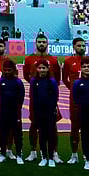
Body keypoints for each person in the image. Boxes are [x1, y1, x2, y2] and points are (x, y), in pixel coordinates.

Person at [62, 36, 89, 165]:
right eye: (79, 45)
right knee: (75, 127)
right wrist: (75, 90)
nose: (81, 48)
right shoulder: (68, 61)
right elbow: (64, 79)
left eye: (83, 45)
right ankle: (74, 154)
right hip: (75, 101)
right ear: (74, 47)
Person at [23, 33, 62, 162]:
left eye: (43, 42)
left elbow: (57, 79)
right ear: (35, 43)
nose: (41, 44)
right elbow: (26, 76)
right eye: (39, 42)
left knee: (52, 125)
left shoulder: (54, 60)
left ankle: (54, 152)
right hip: (35, 98)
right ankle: (33, 151)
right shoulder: (28, 59)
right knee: (34, 124)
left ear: (47, 44)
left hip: (50, 99)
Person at [30, 60, 60, 168]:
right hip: (39, 111)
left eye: (44, 68)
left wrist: (51, 108)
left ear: (48, 69)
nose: (42, 70)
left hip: (50, 111)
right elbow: (33, 95)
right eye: (40, 68)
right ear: (37, 69)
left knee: (50, 134)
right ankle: (43, 157)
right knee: (42, 134)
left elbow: (56, 96)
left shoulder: (52, 81)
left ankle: (51, 158)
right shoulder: (34, 81)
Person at [0, 59, 26, 164]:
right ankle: (3, 154)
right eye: (5, 70)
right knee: (3, 133)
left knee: (17, 134)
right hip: (3, 111)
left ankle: (19, 155)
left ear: (13, 70)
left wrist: (17, 108)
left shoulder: (18, 82)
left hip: (15, 111)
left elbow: (21, 96)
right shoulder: (0, 81)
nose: (7, 72)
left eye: (9, 70)